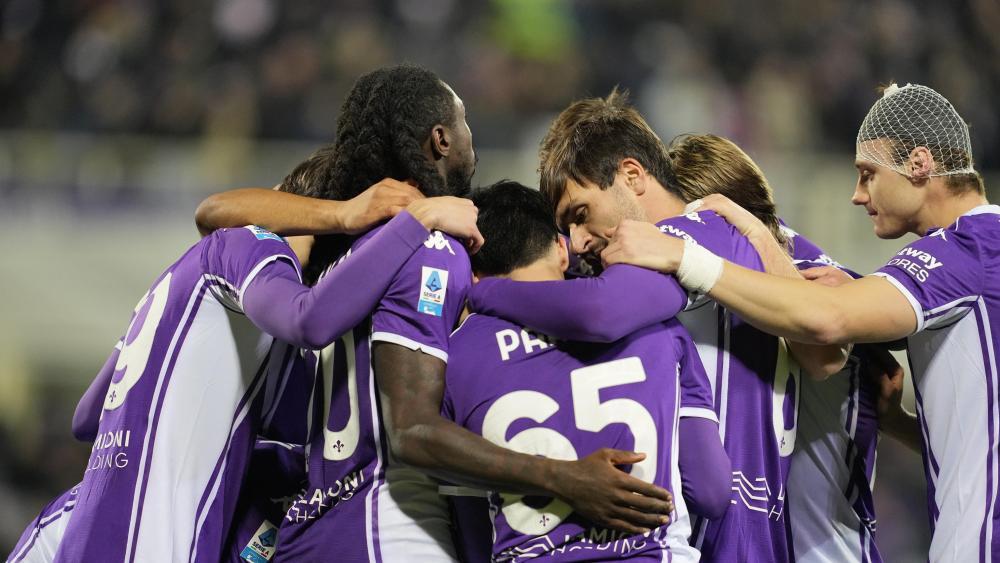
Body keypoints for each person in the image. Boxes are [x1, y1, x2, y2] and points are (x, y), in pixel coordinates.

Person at [195, 66, 674, 562]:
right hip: (389, 533)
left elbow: (213, 213)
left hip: (308, 533)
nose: (473, 137)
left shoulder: (344, 256)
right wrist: (563, 476)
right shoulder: (429, 249)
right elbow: (412, 431)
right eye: (464, 121)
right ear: (441, 139)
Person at [601, 83, 996, 562]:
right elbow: (973, 440)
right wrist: (901, 424)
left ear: (918, 164)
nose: (857, 194)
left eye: (868, 174)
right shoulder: (935, 272)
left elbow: (824, 329)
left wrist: (692, 252)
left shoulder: (974, 246)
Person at [464, 90, 848, 563]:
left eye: (581, 214)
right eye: (567, 229)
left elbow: (601, 312)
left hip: (722, 535)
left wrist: (482, 294)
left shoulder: (695, 231)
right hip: (731, 526)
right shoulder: (727, 235)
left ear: (631, 175)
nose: (579, 241)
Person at [45, 163, 480, 562]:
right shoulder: (259, 244)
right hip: (152, 537)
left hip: (84, 526)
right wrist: (415, 221)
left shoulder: (176, 292)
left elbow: (87, 418)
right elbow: (307, 318)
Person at [442, 181, 730, 561]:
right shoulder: (657, 326)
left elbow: (473, 526)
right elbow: (711, 490)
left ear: (471, 274)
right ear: (561, 250)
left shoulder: (454, 356)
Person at [665, 134, 884, 563]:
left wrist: (746, 229)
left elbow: (824, 355)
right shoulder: (798, 266)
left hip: (821, 541)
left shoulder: (793, 267)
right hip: (785, 533)